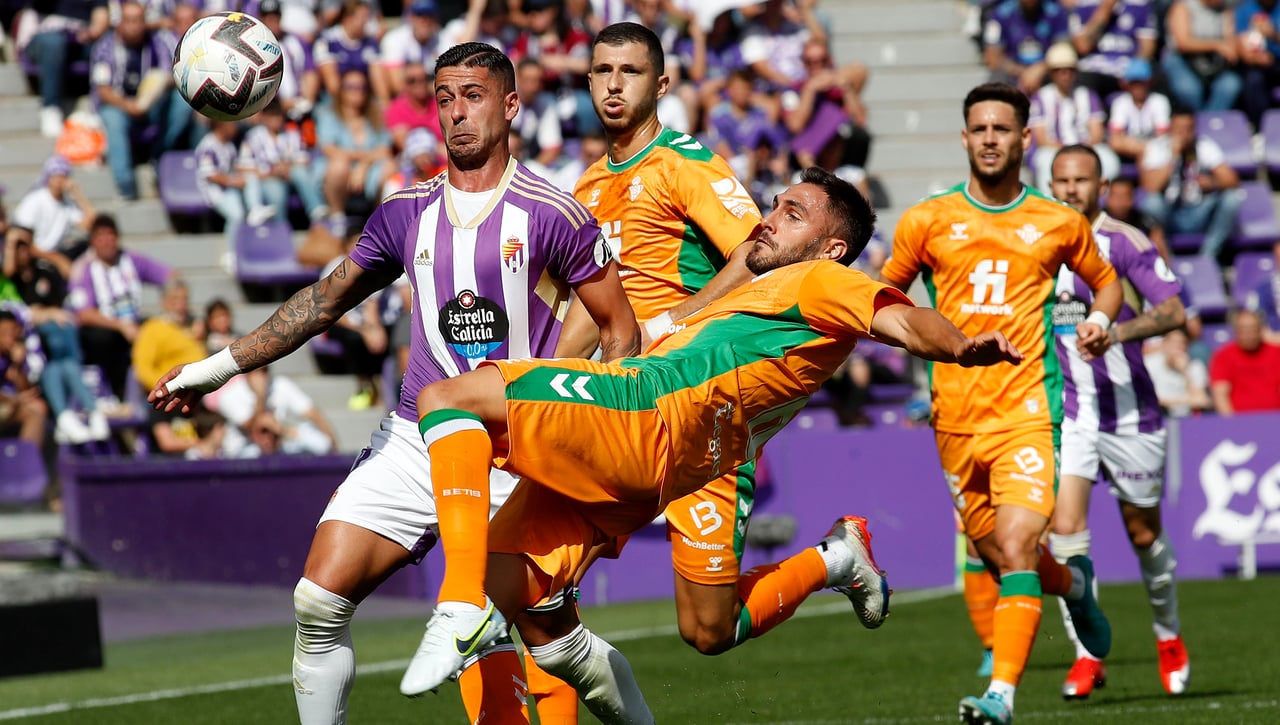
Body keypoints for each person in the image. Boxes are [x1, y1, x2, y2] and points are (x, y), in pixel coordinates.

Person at [394, 168, 1025, 719]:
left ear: (832, 247)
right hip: (664, 468)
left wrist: (959, 347)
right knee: (526, 592)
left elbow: (905, 320)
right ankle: (832, 560)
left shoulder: (824, 282)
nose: (769, 218)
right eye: (776, 204)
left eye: (792, 213)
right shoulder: (751, 290)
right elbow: (702, 298)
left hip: (644, 415)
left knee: (448, 399)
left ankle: (454, 607)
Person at [146, 42, 639, 725]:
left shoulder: (553, 213)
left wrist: (587, 438)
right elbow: (321, 302)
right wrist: (213, 369)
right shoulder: (406, 211)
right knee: (318, 599)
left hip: (515, 447)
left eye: (473, 94)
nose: (456, 112)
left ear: (512, 104)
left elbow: (621, 334)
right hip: (415, 439)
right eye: (444, 98)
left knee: (549, 639)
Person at [879, 82, 1122, 725]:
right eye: (980, 129)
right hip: (955, 418)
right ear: (965, 139)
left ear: (1024, 138)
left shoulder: (1057, 221)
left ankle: (1001, 698)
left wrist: (1100, 317)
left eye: (1002, 129)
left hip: (1027, 414)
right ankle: (1073, 586)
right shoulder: (926, 221)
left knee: (1015, 545)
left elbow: (1106, 281)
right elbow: (882, 297)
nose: (990, 138)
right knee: (996, 554)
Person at [1046, 144, 1191, 699]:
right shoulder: (1039, 243)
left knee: (1142, 533)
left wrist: (1117, 331)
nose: (1071, 190)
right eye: (1061, 180)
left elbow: (1175, 310)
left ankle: (1168, 634)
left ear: (1101, 186)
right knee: (1065, 533)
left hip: (1131, 414)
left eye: (1081, 180)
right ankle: (1087, 655)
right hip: (1073, 416)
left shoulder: (1123, 243)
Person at [67, 214, 173, 400]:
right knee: (107, 339)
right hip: (103, 329)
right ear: (93, 241)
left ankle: (163, 388)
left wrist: (172, 302)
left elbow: (169, 276)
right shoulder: (83, 268)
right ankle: (116, 394)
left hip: (132, 321)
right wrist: (121, 326)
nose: (107, 241)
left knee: (159, 330)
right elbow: (84, 314)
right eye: (101, 236)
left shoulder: (130, 259)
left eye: (111, 235)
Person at [1137, 108, 1244, 263]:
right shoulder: (1157, 147)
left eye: (1188, 129)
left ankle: (1208, 257)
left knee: (1232, 198)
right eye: (1179, 129)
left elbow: (1233, 180)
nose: (1184, 134)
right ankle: (1168, 260)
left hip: (1199, 210)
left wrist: (1213, 182)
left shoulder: (1204, 146)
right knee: (1151, 203)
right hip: (1169, 213)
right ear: (1170, 128)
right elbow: (1150, 187)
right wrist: (1173, 157)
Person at [1028, 43, 1119, 191]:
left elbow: (1097, 133)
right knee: (1045, 162)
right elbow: (1041, 138)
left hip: (1085, 147)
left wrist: (1080, 150)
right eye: (1059, 70)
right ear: (1052, 73)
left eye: (1069, 70)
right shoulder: (1040, 98)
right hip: (1053, 149)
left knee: (1110, 161)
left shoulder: (1088, 95)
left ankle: (1096, 202)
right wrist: (1065, 151)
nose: (1064, 75)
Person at [10, 155, 95, 276]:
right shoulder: (34, 200)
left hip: (55, 256)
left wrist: (77, 194)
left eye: (64, 175)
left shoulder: (67, 203)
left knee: (92, 245)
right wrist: (57, 259)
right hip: (35, 259)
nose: (60, 180)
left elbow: (92, 226)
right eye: (57, 175)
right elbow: (24, 240)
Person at [1161, 0, 1243, 113]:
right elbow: (1182, 43)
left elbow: (1230, 42)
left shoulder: (1225, 11)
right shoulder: (1183, 7)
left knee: (1231, 85)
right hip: (1183, 61)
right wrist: (1216, 45)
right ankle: (1195, 122)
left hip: (1214, 64)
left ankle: (1209, 122)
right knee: (1189, 90)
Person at [1208, 308, 1280, 414]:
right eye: (1244, 329)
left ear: (1260, 330)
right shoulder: (1223, 356)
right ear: (1236, 331)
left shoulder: (1276, 353)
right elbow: (1220, 394)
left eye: (1252, 329)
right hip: (1240, 423)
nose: (1248, 334)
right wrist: (1232, 425)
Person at [1144, 328, 1211, 417]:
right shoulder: (1150, 363)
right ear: (1164, 344)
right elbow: (1151, 399)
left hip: (1188, 419)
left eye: (1182, 343)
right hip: (1160, 416)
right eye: (1173, 343)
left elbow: (1202, 401)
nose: (1177, 348)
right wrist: (1186, 401)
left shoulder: (1195, 366)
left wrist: (1185, 372)